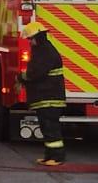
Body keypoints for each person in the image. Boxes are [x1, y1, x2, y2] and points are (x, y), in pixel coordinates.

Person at [21, 20, 66, 166]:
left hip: (50, 97)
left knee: (51, 128)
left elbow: (36, 73)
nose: (29, 42)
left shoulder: (45, 51)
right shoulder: (42, 49)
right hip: (46, 97)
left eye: (30, 39)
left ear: (37, 37)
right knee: (46, 128)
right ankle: (49, 156)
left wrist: (21, 77)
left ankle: (57, 157)